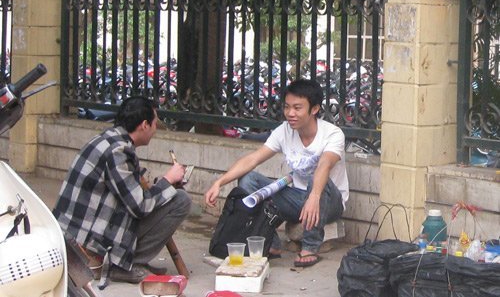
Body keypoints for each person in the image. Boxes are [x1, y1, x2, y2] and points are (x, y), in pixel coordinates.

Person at [205, 79, 348, 268]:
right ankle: (270, 243)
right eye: (287, 107)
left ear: (314, 109)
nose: (290, 113)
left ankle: (310, 247)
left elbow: (324, 165)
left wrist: (314, 197)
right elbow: (253, 159)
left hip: (328, 201)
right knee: (248, 179)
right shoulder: (284, 131)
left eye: (297, 108)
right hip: (296, 199)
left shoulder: (332, 134)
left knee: (317, 179)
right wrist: (219, 182)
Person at [53, 96, 191, 286]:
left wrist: (163, 185)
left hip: (77, 232)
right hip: (84, 242)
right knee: (181, 200)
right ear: (144, 125)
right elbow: (140, 207)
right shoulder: (118, 151)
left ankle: (125, 261)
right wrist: (168, 180)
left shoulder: (108, 139)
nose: (155, 129)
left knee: (170, 196)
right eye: (154, 123)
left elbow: (129, 192)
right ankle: (122, 266)